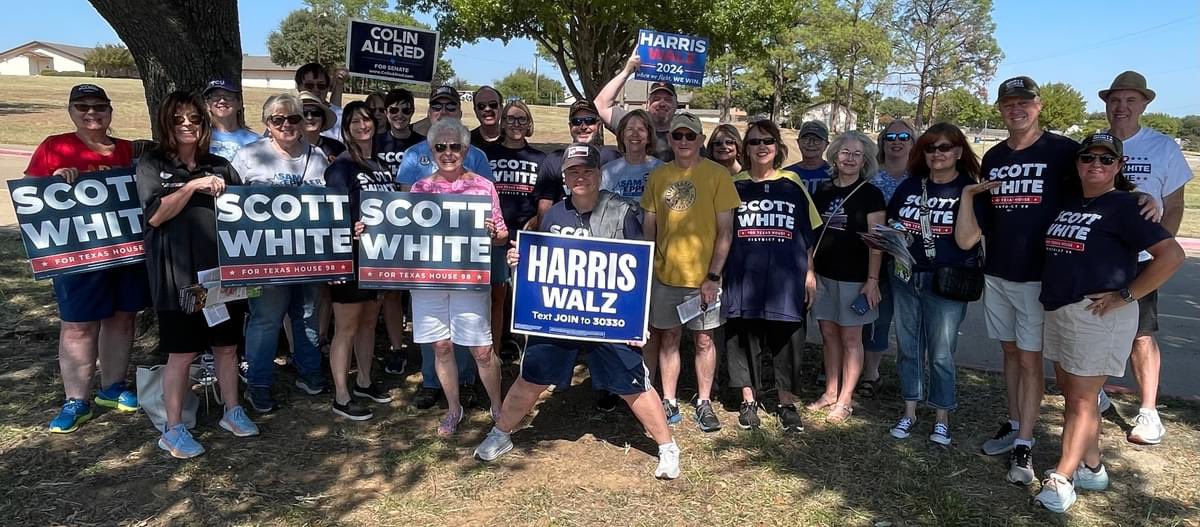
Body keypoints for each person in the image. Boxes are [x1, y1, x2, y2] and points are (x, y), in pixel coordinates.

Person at [472, 142, 681, 480]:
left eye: (587, 170)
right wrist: (519, 262)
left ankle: (667, 447)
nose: (580, 176)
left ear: (600, 174)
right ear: (565, 177)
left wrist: (637, 321)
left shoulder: (624, 211)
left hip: (609, 319)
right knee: (531, 377)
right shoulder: (554, 213)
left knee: (632, 384)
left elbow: (640, 270)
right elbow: (542, 263)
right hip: (560, 318)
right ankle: (501, 433)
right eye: (573, 172)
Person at [1031, 133, 1183, 513]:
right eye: (1088, 158)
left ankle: (1062, 479)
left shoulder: (1128, 207)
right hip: (1062, 309)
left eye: (1105, 159)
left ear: (1118, 166)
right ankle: (1093, 467)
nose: (1095, 165)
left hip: (1098, 315)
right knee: (1076, 395)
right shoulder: (1072, 200)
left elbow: (1172, 255)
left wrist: (1126, 294)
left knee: (1081, 400)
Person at [954, 76, 1082, 485]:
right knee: (1010, 353)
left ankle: (1026, 443)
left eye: (1023, 103)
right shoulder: (994, 157)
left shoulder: (1063, 151)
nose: (1016, 110)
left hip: (1039, 277)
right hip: (999, 273)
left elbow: (1100, 186)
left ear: (1039, 105)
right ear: (1000, 110)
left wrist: (1142, 199)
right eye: (1008, 104)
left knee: (1030, 360)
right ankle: (1014, 423)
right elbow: (986, 217)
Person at [135, 91, 257, 457]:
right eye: (178, 119)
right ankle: (173, 429)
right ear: (166, 124)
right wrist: (190, 187)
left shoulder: (219, 164)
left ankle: (232, 411)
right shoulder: (151, 163)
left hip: (221, 274)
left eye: (194, 119)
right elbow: (155, 215)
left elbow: (245, 212)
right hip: (178, 277)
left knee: (227, 346)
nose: (187, 125)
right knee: (183, 353)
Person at [25, 84, 147, 433]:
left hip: (125, 253)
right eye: (82, 107)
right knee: (77, 325)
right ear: (71, 111)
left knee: (123, 319)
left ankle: (113, 387)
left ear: (110, 112)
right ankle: (76, 400)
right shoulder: (54, 146)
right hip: (76, 255)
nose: (91, 113)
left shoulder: (128, 151)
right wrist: (53, 183)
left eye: (99, 107)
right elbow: (32, 197)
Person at [1098, 71, 1192, 445]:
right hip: (1098, 257)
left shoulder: (1162, 147)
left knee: (1141, 334)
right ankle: (1096, 391)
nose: (1121, 107)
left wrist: (1159, 252)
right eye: (1115, 100)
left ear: (1144, 104)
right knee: (1095, 325)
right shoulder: (1095, 145)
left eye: (1130, 100)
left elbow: (1175, 204)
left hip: (1140, 258)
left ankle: (1148, 411)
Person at [230, 94, 331, 413]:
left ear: (303, 122)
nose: (286, 124)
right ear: (267, 124)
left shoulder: (317, 157)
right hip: (265, 258)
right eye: (278, 119)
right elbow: (230, 204)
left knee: (307, 316)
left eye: (294, 118)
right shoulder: (248, 155)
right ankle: (258, 383)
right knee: (266, 320)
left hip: (309, 256)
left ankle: (310, 372)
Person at [641, 112, 741, 432]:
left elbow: (725, 231)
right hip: (664, 275)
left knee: (704, 340)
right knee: (668, 337)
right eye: (677, 136)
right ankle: (668, 399)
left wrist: (713, 276)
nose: (684, 141)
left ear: (700, 140)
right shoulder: (658, 176)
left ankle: (704, 401)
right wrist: (646, 267)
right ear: (669, 140)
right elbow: (649, 228)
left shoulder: (717, 175)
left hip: (703, 279)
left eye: (690, 136)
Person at [409, 118, 508, 436]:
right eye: (441, 146)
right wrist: (372, 231)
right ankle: (454, 409)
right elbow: (406, 234)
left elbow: (502, 234)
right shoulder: (420, 188)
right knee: (441, 346)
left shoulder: (483, 186)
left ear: (466, 149)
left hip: (469, 278)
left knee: (481, 349)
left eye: (455, 146)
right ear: (431, 149)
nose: (448, 152)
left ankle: (498, 406)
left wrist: (494, 234)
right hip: (429, 281)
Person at [396, 85, 491, 410]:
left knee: (467, 326)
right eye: (437, 104)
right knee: (435, 332)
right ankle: (432, 382)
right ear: (429, 110)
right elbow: (400, 209)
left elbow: (488, 206)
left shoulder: (476, 155)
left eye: (451, 104)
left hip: (466, 260)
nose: (444, 109)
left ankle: (468, 381)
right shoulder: (413, 156)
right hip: (428, 259)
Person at [884, 123, 980, 446]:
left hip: (947, 281)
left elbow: (967, 241)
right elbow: (893, 222)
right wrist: (892, 236)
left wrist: (966, 196)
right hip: (905, 275)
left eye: (945, 147)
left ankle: (942, 416)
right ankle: (909, 410)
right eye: (930, 148)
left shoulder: (969, 189)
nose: (937, 154)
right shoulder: (910, 187)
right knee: (908, 348)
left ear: (958, 151)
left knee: (941, 353)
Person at [724, 120, 821, 431]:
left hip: (786, 280)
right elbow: (722, 232)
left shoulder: (793, 183)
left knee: (787, 341)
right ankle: (748, 400)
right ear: (745, 148)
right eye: (753, 141)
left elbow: (807, 232)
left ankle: (786, 402)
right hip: (744, 278)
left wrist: (810, 273)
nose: (761, 146)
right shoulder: (733, 184)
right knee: (743, 339)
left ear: (778, 147)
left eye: (767, 140)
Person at [323, 101, 397, 421]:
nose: (362, 125)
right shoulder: (341, 166)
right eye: (354, 121)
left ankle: (364, 380)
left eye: (366, 119)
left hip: (378, 257)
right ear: (346, 127)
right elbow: (331, 213)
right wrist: (345, 232)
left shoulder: (380, 165)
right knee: (347, 327)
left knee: (369, 322)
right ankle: (341, 395)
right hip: (350, 258)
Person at [807, 130, 886, 423]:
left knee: (852, 338)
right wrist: (810, 271)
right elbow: (812, 235)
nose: (850, 159)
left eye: (857, 154)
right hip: (825, 275)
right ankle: (830, 390)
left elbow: (877, 242)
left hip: (856, 278)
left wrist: (873, 280)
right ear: (835, 156)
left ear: (864, 160)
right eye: (845, 153)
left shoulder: (871, 194)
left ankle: (845, 398)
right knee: (829, 335)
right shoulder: (824, 191)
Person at [481, 100, 547, 366]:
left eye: (521, 119)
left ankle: (526, 347)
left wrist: (536, 220)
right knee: (497, 294)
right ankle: (495, 349)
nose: (515, 124)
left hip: (526, 235)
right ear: (502, 123)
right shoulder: (487, 155)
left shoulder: (540, 159)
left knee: (525, 293)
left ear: (529, 124)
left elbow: (546, 198)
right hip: (495, 235)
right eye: (510, 119)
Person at [860, 119, 916, 396]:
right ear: (882, 142)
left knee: (909, 319)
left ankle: (914, 377)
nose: (897, 140)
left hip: (910, 259)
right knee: (877, 315)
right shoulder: (871, 177)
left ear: (912, 142)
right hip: (876, 257)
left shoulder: (921, 178)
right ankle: (871, 372)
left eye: (904, 136)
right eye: (890, 136)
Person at [531, 100, 623, 226]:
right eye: (577, 122)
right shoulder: (554, 159)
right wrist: (542, 238)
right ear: (570, 126)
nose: (583, 126)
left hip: (606, 230)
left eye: (589, 121)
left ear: (599, 125)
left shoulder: (613, 159)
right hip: (565, 230)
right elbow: (545, 205)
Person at [595, 48, 679, 161]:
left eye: (668, 99)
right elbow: (599, 105)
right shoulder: (632, 124)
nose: (662, 103)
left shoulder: (686, 136)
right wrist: (626, 72)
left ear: (676, 104)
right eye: (656, 99)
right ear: (647, 104)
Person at [601, 109, 663, 201]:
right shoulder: (607, 171)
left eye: (641, 129)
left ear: (649, 137)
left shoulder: (662, 170)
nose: (635, 134)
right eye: (630, 129)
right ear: (622, 135)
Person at [204, 79, 259, 161]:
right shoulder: (201, 137)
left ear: (239, 103)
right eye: (215, 96)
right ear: (207, 105)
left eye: (228, 96)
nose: (222, 101)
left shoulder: (256, 141)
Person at [374, 88, 425, 175]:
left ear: (412, 112)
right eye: (394, 110)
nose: (400, 115)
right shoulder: (374, 143)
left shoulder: (424, 144)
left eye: (406, 111)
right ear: (386, 112)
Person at [294, 62, 345, 141]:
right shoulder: (287, 113)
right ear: (298, 87)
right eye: (309, 85)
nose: (316, 89)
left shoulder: (341, 116)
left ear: (328, 88)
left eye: (321, 85)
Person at [784, 121, 832, 195]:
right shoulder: (786, 175)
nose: (811, 144)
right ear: (798, 142)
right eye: (806, 139)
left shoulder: (835, 174)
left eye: (817, 140)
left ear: (826, 144)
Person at [298, 91, 345, 162]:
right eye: (304, 113)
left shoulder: (337, 148)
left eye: (316, 113)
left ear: (323, 118)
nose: (310, 117)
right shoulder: (288, 146)